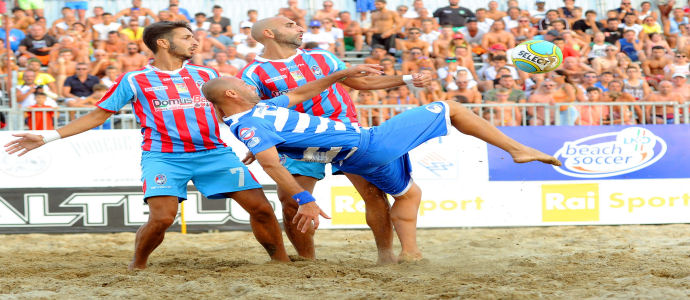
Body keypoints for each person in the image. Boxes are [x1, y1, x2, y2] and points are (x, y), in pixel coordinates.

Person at [4, 21, 290, 270]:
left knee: (262, 209)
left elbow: (235, 111)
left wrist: (256, 140)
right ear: (163, 43)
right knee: (162, 218)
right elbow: (97, 115)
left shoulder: (206, 75)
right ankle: (138, 265)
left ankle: (281, 263)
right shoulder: (134, 79)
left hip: (214, 154)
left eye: (193, 37)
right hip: (164, 157)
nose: (195, 42)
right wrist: (46, 137)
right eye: (187, 38)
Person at [201, 74, 560, 260]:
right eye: (241, 85)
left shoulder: (256, 113)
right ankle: (518, 150)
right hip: (368, 143)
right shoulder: (249, 124)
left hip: (357, 154)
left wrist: (342, 73)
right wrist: (302, 198)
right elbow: (270, 165)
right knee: (452, 107)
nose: (249, 85)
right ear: (231, 95)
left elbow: (300, 95)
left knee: (408, 193)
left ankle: (409, 254)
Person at [241, 16, 432, 263]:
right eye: (290, 25)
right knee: (290, 202)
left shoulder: (322, 57)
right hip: (299, 140)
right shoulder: (252, 73)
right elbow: (255, 113)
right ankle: (308, 260)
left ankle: (386, 256)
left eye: (298, 24)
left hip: (345, 132)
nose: (300, 28)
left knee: (373, 193)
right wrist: (258, 142)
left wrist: (407, 79)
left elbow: (360, 82)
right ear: (268, 33)